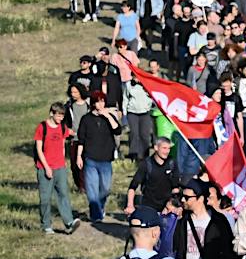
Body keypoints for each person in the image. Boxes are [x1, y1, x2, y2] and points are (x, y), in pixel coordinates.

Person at [75, 94, 121, 226]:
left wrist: (107, 116)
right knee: (92, 189)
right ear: (93, 103)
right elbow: (81, 139)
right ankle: (95, 214)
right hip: (90, 158)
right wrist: (79, 156)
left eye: (103, 102)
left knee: (105, 188)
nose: (101, 105)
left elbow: (117, 131)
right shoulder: (86, 119)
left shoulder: (109, 117)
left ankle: (99, 207)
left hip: (106, 159)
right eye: (98, 102)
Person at [33, 101, 78, 234]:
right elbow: (39, 149)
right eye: (58, 116)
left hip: (60, 167)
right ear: (51, 113)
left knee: (63, 194)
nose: (60, 118)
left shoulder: (62, 127)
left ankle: (69, 222)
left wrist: (63, 162)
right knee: (45, 198)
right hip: (44, 167)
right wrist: (46, 167)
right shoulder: (42, 127)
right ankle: (46, 225)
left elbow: (63, 144)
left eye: (62, 116)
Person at [125, 134, 181, 219]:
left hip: (166, 206)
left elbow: (175, 188)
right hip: (148, 205)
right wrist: (130, 205)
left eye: (169, 148)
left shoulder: (172, 163)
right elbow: (133, 186)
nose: (167, 151)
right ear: (156, 148)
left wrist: (173, 205)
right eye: (164, 148)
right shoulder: (146, 164)